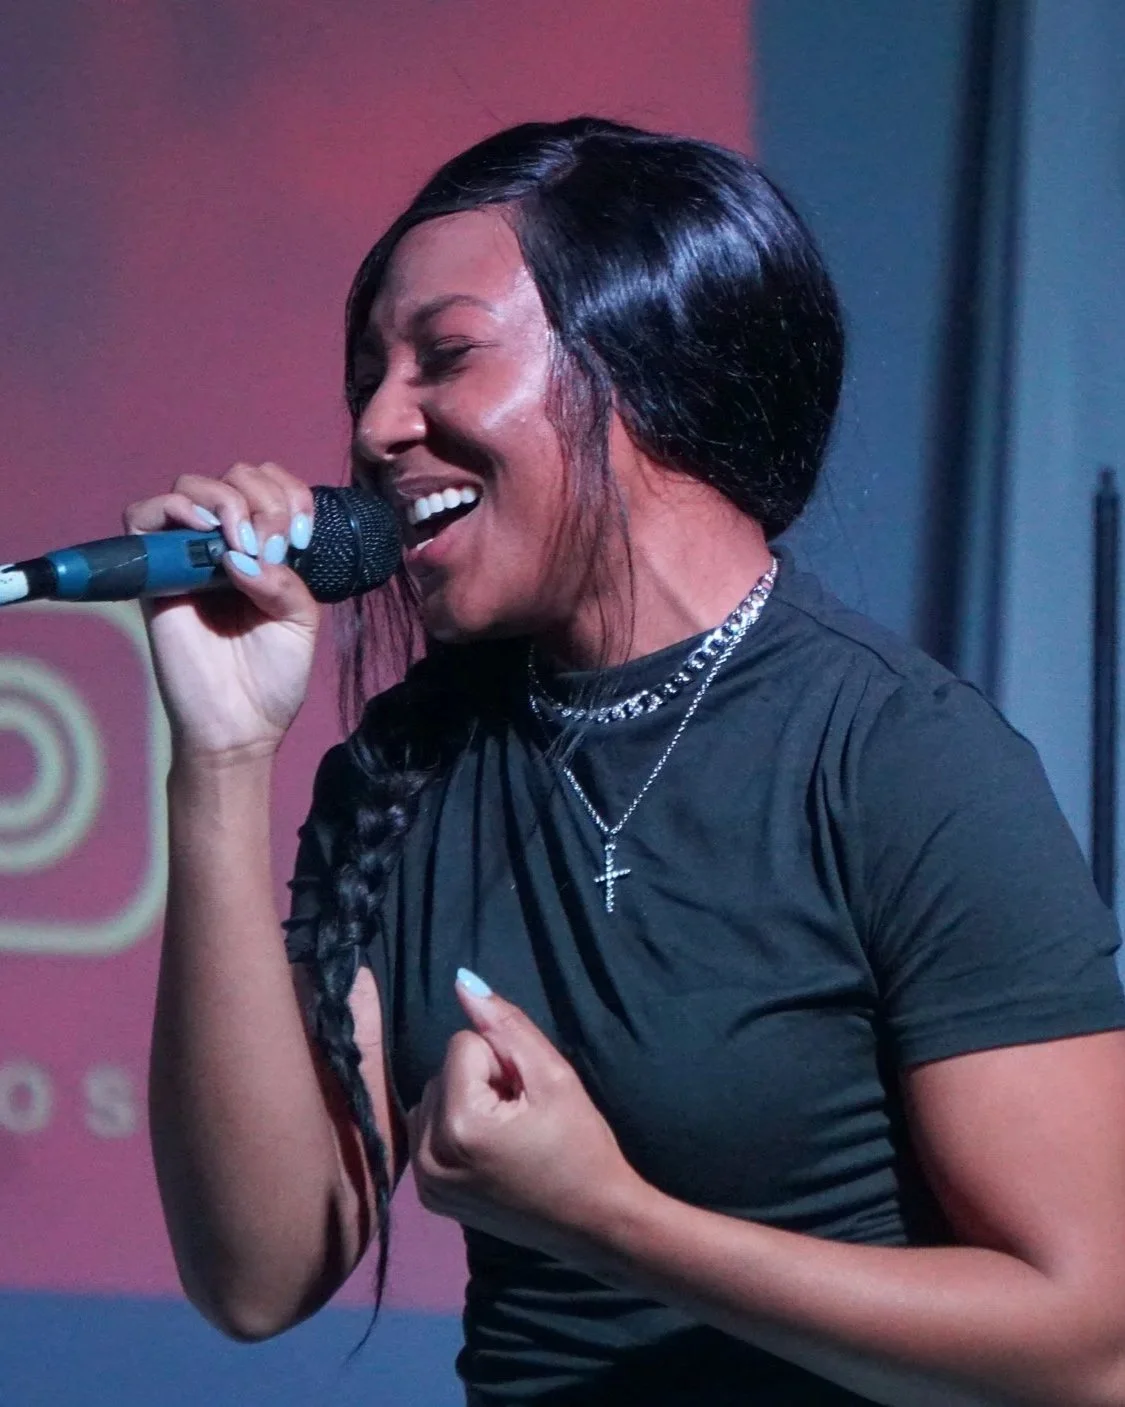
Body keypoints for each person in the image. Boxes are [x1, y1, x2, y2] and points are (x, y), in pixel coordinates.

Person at [131, 118, 1125, 1406]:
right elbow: (256, 1276)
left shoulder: (898, 758)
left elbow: (1090, 1340)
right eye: (367, 376)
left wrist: (609, 1218)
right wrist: (219, 760)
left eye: (444, 356)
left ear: (648, 364)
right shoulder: (411, 765)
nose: (378, 425)